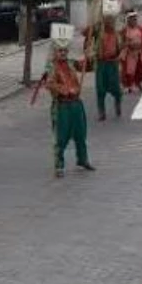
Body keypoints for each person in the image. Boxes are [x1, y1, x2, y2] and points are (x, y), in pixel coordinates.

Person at [39, 27, 95, 179]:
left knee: (81, 134)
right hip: (62, 106)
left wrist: (89, 57)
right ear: (55, 52)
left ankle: (82, 160)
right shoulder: (51, 67)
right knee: (61, 137)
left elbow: (86, 67)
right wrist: (65, 89)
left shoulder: (71, 63)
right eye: (60, 51)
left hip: (76, 104)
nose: (63, 53)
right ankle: (59, 165)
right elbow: (49, 84)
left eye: (65, 50)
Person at [92, 5, 122, 120]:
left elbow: (121, 49)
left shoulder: (116, 35)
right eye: (107, 19)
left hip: (113, 64)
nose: (110, 22)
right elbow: (86, 33)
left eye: (111, 20)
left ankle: (118, 103)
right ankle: (101, 111)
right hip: (101, 64)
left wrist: (119, 57)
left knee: (116, 89)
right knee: (100, 88)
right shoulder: (98, 33)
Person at [120, 11, 142, 93]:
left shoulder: (140, 29)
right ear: (128, 20)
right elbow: (121, 42)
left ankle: (138, 83)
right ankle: (127, 85)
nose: (134, 21)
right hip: (129, 53)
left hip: (138, 52)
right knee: (128, 70)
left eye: (135, 19)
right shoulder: (125, 30)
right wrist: (129, 45)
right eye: (132, 19)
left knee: (139, 69)